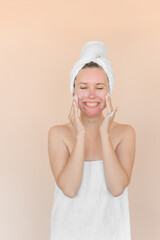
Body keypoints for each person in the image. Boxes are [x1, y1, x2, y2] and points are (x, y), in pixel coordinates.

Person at [48, 41, 136, 240]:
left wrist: (105, 133)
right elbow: (69, 189)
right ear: (73, 92)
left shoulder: (125, 134)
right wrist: (79, 135)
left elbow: (117, 188)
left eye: (99, 87)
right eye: (83, 87)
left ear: (109, 91)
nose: (91, 95)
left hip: (113, 233)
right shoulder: (58, 134)